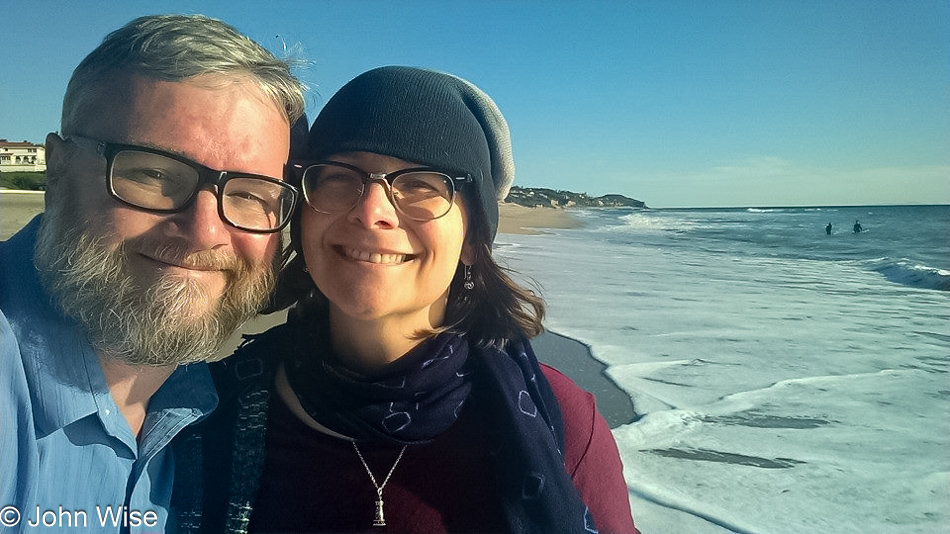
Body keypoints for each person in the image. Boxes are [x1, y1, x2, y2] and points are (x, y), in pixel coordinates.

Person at [174, 66, 638, 533]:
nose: (372, 211)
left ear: (474, 237)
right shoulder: (195, 410)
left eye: (421, 183)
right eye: (339, 176)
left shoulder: (562, 422)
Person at [0, 14, 304, 532]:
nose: (205, 231)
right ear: (57, 169)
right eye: (155, 174)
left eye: (251, 194)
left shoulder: (223, 406)